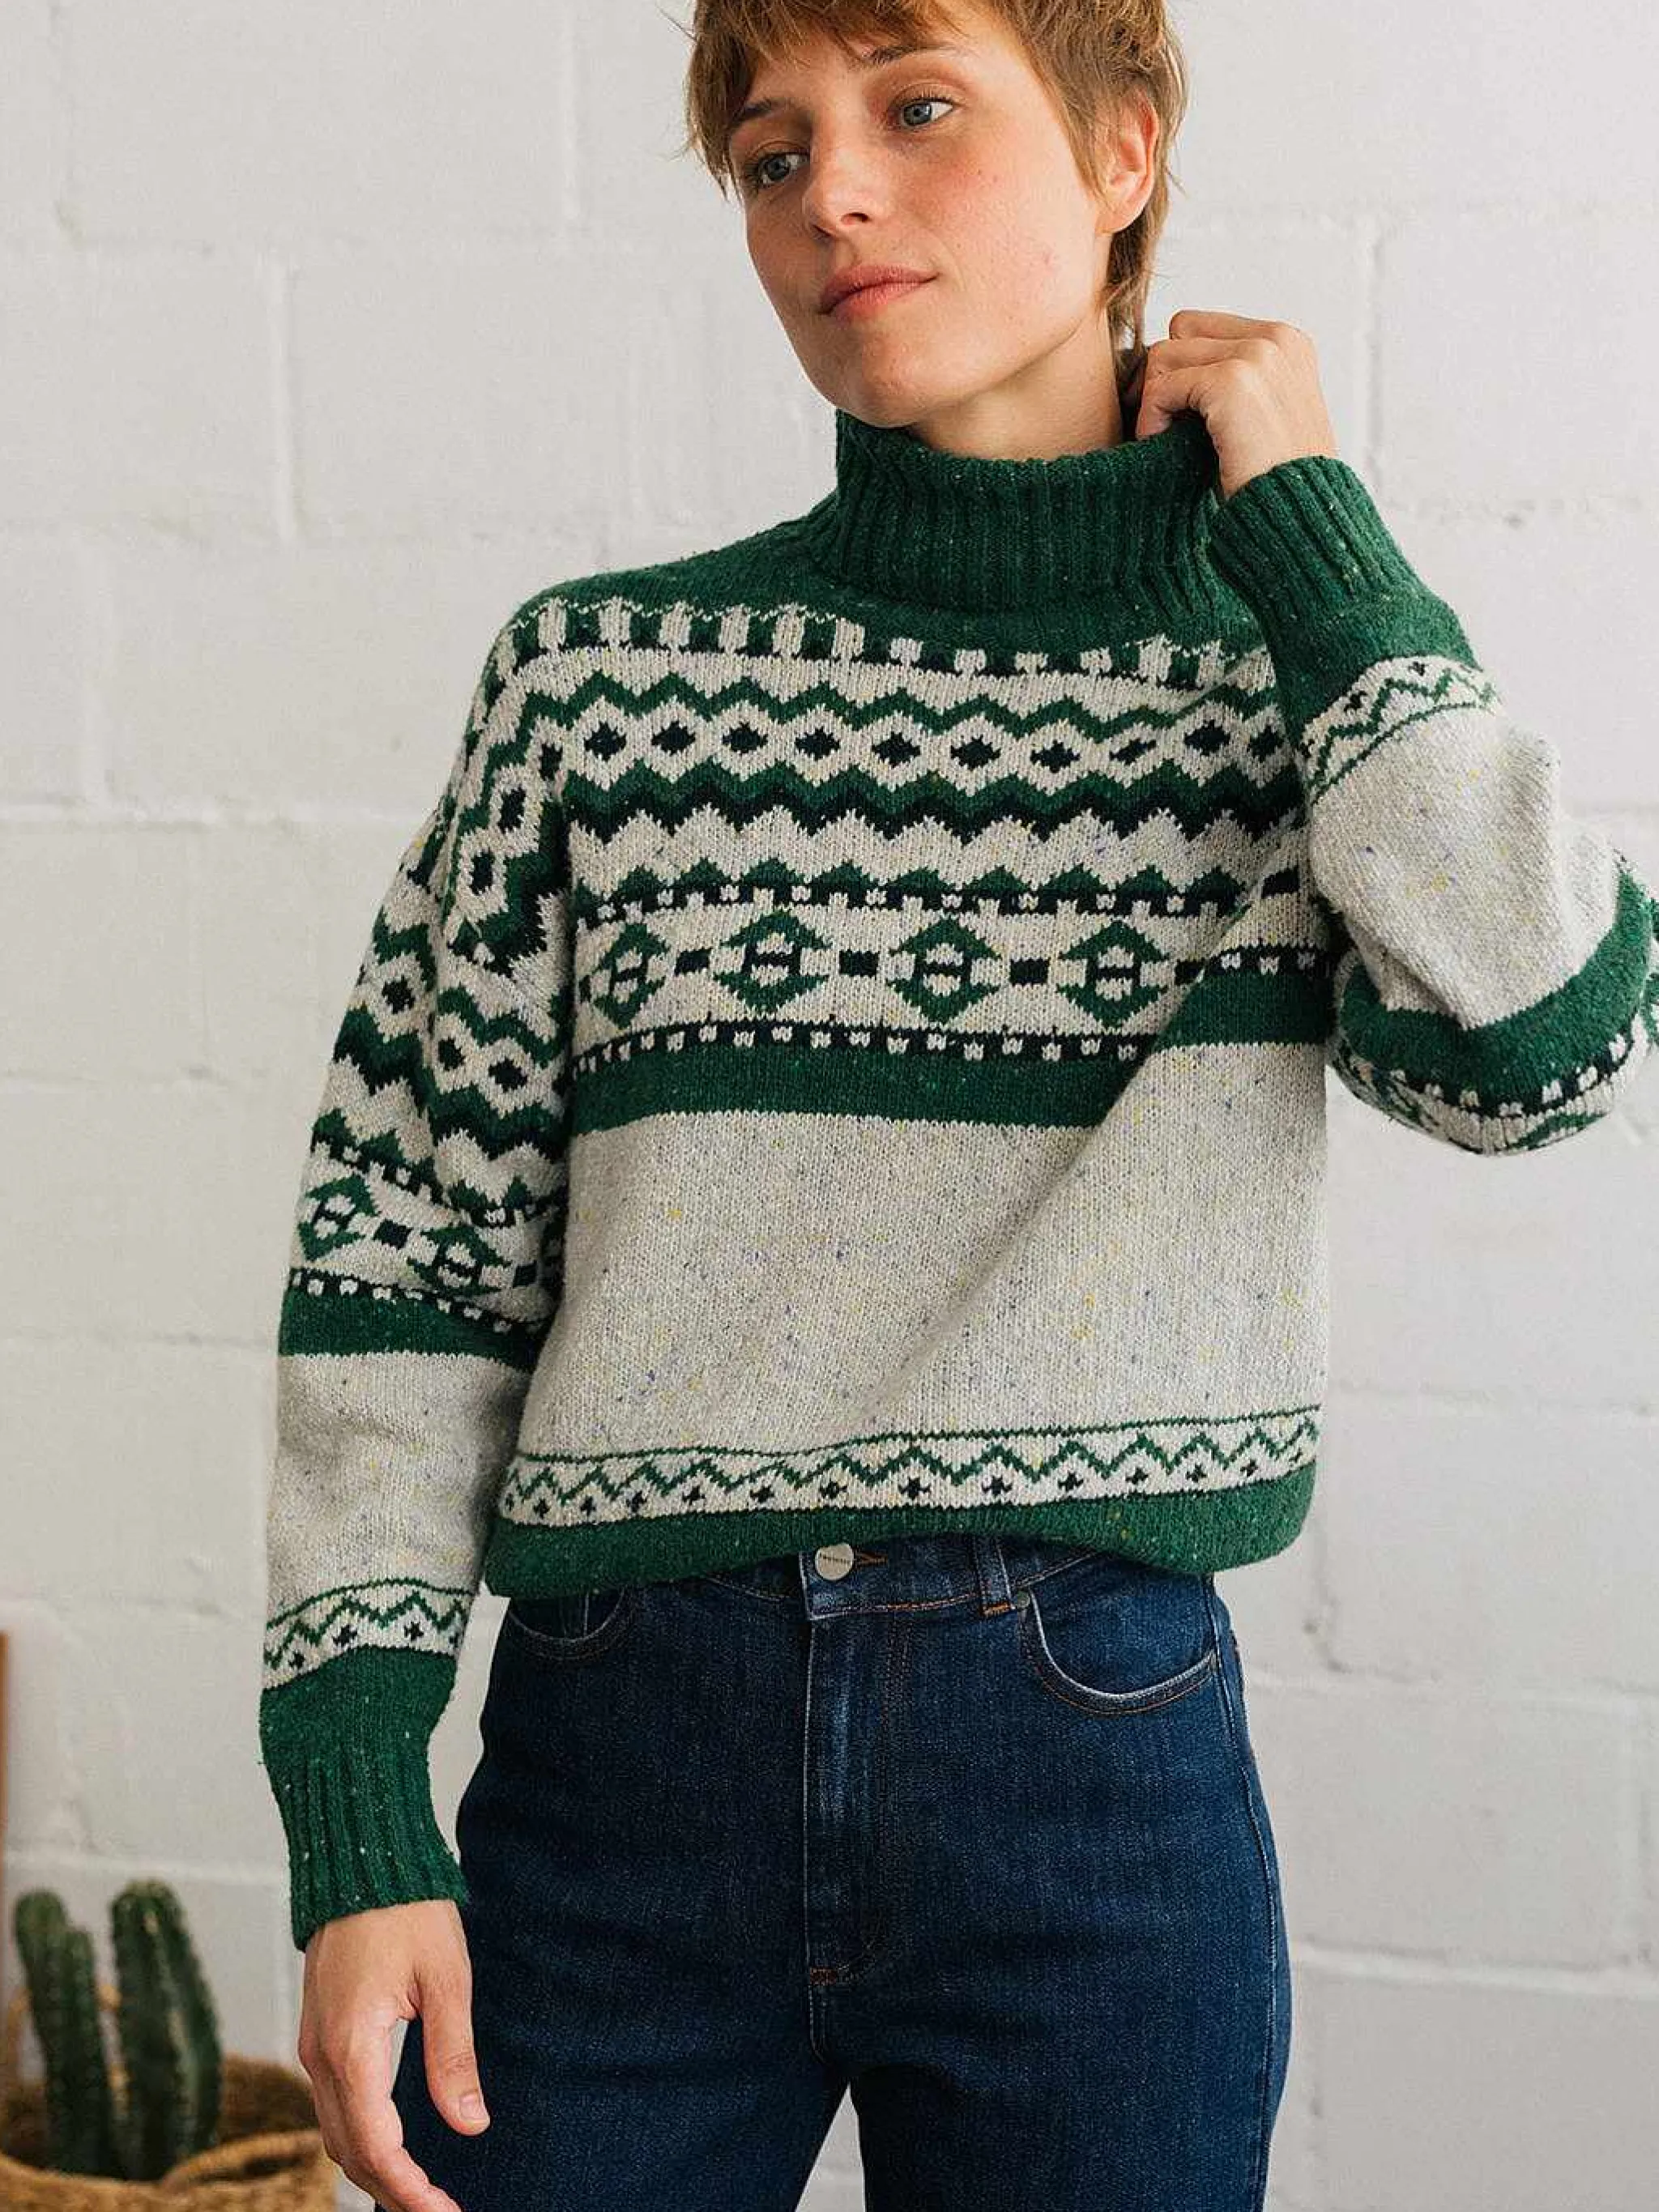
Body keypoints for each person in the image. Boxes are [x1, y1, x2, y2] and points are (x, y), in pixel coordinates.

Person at [257, 4, 1659, 2209]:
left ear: (1124, 154)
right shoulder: (600, 685)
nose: (833, 194)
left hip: (1085, 1778)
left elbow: (1542, 1046)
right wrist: (357, 1829)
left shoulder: (1292, 675)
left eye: (918, 108)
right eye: (770, 151)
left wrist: (1314, 531)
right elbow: (411, 1260)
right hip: (618, 1776)